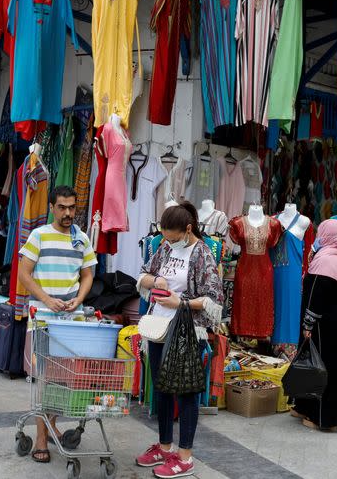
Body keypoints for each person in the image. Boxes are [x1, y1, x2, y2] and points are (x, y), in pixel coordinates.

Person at [136, 201, 224, 479]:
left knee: (185, 391)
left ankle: (184, 457)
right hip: (159, 326)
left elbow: (214, 301)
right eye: (165, 237)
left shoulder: (203, 254)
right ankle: (164, 447)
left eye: (173, 237)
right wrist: (156, 281)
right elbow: (144, 275)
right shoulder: (164, 247)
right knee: (161, 388)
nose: (169, 242)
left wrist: (181, 303)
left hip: (187, 329)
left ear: (188, 229)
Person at [17, 186, 97, 464]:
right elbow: (24, 274)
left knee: (62, 379)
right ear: (52, 207)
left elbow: (87, 275)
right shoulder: (38, 235)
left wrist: (79, 299)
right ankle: (41, 439)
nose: (67, 213)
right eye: (62, 207)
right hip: (43, 317)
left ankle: (50, 426)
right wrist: (47, 299)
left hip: (71, 320)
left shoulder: (82, 238)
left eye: (72, 207)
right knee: (44, 379)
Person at [292, 218, 337, 432]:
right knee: (332, 368)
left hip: (325, 325)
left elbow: (316, 295)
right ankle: (306, 406)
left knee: (321, 367)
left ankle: (323, 418)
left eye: (321, 233)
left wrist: (308, 323)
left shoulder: (325, 260)